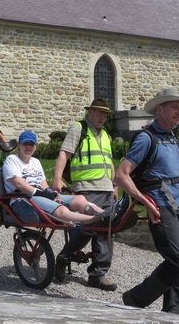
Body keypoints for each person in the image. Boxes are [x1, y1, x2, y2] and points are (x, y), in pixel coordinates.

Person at [115, 87, 179, 315]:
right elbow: (121, 175)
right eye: (174, 107)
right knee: (176, 260)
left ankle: (172, 314)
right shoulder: (145, 138)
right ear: (160, 109)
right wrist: (145, 201)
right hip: (161, 207)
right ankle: (134, 298)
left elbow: (170, 170)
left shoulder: (173, 137)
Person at [51, 98, 117, 291]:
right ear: (90, 112)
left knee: (107, 230)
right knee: (87, 229)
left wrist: (113, 185)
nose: (102, 116)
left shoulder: (105, 135)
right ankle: (64, 257)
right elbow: (64, 153)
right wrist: (57, 178)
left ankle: (97, 274)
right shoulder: (78, 129)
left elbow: (109, 161)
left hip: (105, 189)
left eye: (104, 114)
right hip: (86, 188)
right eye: (98, 112)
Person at [3, 130, 112, 224]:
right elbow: (19, 184)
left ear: (35, 146)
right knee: (61, 210)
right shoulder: (12, 159)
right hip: (22, 199)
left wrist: (51, 193)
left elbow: (43, 184)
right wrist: (43, 194)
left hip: (38, 196)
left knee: (79, 199)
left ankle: (108, 215)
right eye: (25, 144)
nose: (28, 147)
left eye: (31, 144)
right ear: (19, 146)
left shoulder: (35, 162)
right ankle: (95, 219)